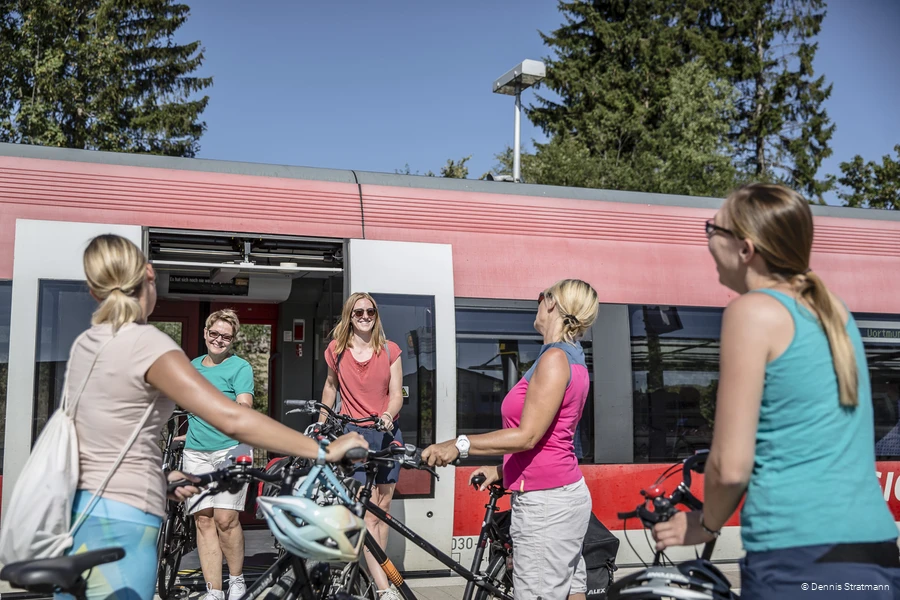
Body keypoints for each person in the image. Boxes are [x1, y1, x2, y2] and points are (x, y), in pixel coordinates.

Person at [61, 234, 367, 600]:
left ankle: (227, 586)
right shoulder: (148, 345)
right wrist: (321, 450)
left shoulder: (88, 343)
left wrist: (162, 473)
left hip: (81, 511)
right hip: (125, 518)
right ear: (148, 274)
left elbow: (106, 431)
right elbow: (233, 420)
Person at [651, 184, 900, 599]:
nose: (708, 238)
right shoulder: (833, 313)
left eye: (713, 228)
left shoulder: (752, 311)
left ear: (745, 249)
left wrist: (705, 524)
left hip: (796, 556)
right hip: (873, 555)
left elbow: (730, 467)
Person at [422, 279, 600, 600]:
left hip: (545, 504)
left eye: (541, 296)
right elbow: (551, 436)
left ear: (551, 304)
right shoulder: (571, 356)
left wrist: (460, 445)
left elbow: (528, 435)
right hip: (561, 494)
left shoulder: (555, 359)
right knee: (572, 590)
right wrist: (502, 471)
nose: (538, 303)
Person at [319, 292, 403, 600]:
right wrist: (320, 423)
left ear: (376, 315)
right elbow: (330, 386)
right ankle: (383, 588)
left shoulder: (390, 350)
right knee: (365, 515)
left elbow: (397, 394)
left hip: (386, 433)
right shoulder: (336, 350)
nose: (365, 316)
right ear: (349, 316)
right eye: (358, 312)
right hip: (353, 435)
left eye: (370, 311)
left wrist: (387, 414)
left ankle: (378, 576)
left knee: (382, 512)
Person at [182, 309, 255, 600]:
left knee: (226, 518)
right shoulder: (191, 367)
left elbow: (245, 402)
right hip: (196, 453)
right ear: (205, 333)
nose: (219, 339)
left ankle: (236, 579)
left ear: (232, 339)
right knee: (203, 519)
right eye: (214, 333)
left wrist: (240, 411)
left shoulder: (240, 367)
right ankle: (214, 590)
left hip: (231, 449)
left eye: (226, 336)